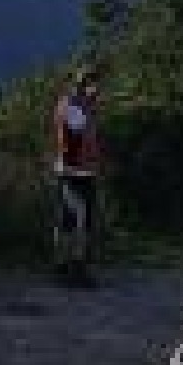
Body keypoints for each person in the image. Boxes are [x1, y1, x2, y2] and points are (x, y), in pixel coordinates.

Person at [51, 65, 106, 288]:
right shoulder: (73, 107)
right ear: (84, 85)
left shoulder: (80, 105)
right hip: (72, 172)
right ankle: (74, 268)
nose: (97, 90)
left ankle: (66, 266)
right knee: (78, 219)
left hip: (81, 171)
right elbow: (76, 131)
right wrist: (90, 106)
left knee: (71, 221)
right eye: (93, 84)